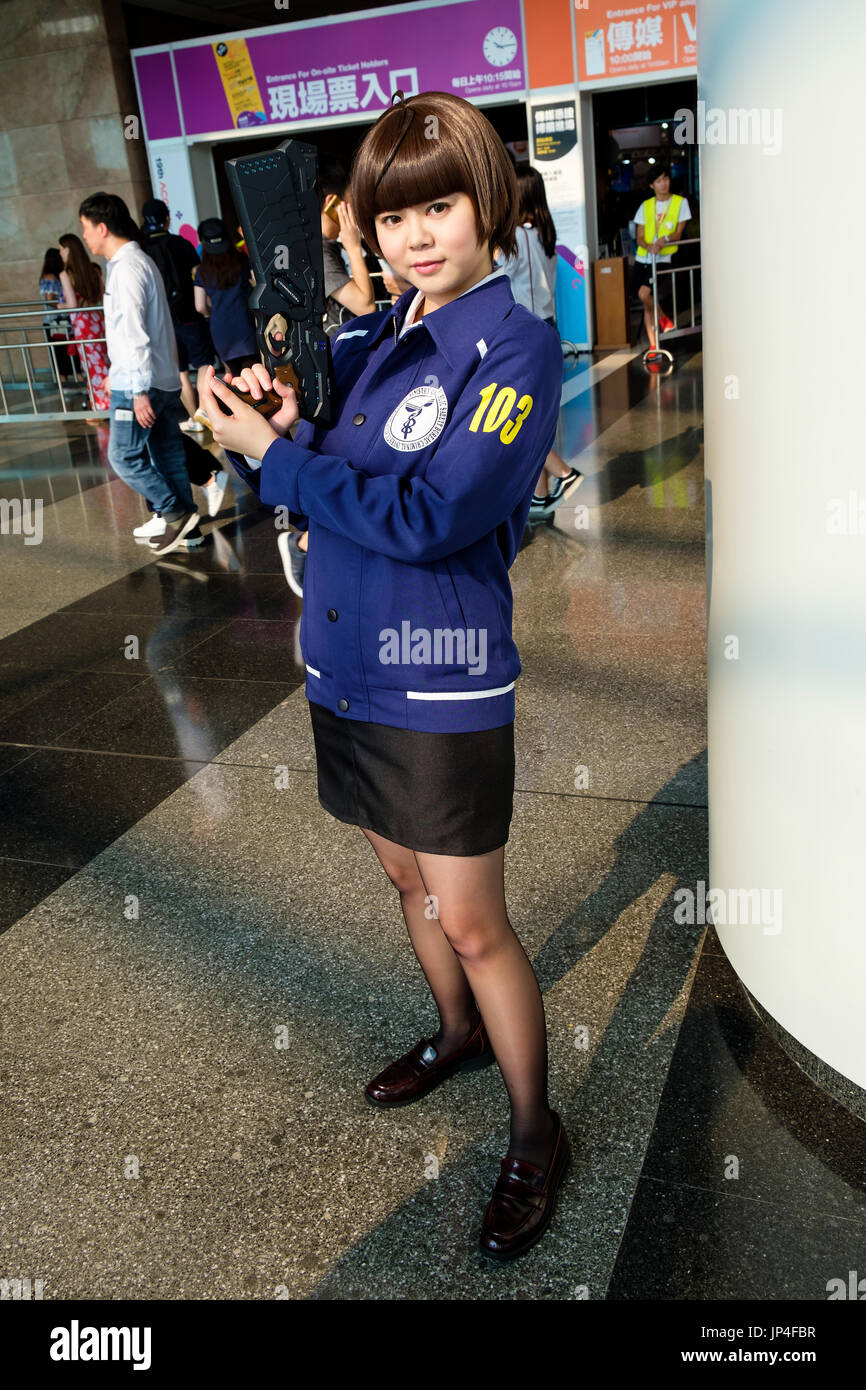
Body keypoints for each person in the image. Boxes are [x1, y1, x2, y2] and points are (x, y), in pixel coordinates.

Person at [200, 89, 571, 1262]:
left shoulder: (510, 342)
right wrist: (289, 426)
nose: (415, 235)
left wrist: (274, 464)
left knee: (468, 917)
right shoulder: (382, 333)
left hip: (443, 676)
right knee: (405, 883)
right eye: (392, 213)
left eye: (440, 206)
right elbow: (344, 464)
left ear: (489, 207)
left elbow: (427, 512)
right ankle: (453, 1035)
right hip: (345, 666)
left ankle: (532, 1131)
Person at [78, 192, 201, 556]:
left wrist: (134, 389)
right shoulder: (137, 262)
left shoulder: (127, 268)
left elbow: (133, 333)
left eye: (86, 229)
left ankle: (173, 511)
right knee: (168, 455)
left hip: (142, 384)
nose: (85, 237)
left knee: (122, 456)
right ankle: (188, 530)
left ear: (102, 228)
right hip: (158, 378)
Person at [276, 173, 378, 595]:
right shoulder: (321, 250)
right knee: (344, 462)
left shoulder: (312, 249)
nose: (355, 220)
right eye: (353, 210)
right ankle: (302, 543)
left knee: (344, 463)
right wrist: (355, 248)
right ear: (333, 203)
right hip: (336, 370)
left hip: (333, 369)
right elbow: (365, 304)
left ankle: (308, 543)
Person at [494, 165, 583, 519]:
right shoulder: (547, 233)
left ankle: (564, 472)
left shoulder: (513, 238)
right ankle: (541, 495)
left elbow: (497, 276)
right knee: (535, 415)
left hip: (522, 334)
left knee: (518, 419)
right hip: (548, 329)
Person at [140, 198, 214, 433]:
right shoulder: (181, 245)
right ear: (167, 219)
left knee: (181, 371)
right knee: (204, 363)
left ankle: (194, 418)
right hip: (189, 315)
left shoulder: (141, 250)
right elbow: (197, 277)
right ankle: (205, 410)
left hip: (162, 322)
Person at [631, 165, 691, 352]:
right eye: (658, 181)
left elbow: (678, 234)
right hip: (643, 258)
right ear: (651, 185)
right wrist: (648, 245)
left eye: (665, 179)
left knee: (644, 294)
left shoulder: (680, 202)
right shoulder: (646, 205)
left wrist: (662, 240)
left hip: (663, 259)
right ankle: (654, 346)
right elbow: (639, 236)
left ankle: (664, 320)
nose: (663, 183)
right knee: (647, 300)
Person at [193, 218, 258, 378]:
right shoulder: (241, 260)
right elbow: (258, 282)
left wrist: (213, 311)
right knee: (254, 373)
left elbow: (200, 306)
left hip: (221, 329)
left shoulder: (202, 271)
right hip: (245, 324)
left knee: (235, 377)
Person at [58, 233, 111, 413]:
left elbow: (72, 304)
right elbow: (103, 297)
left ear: (68, 250)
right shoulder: (92, 271)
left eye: (61, 249)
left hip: (82, 324)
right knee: (105, 359)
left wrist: (61, 305)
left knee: (92, 365)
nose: (60, 253)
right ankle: (114, 399)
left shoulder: (66, 274)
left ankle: (101, 404)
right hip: (98, 319)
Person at [38, 247, 72, 381]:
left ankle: (65, 381)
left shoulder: (47, 277)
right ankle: (64, 382)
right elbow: (50, 299)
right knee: (61, 354)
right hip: (55, 321)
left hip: (52, 321)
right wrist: (64, 306)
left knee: (61, 353)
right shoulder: (51, 278)